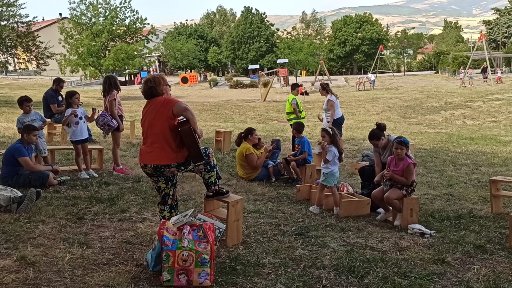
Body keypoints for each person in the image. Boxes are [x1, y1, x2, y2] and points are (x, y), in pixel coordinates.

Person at [139, 74, 229, 220]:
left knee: (167, 195)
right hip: (166, 161)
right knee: (205, 154)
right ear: (162, 88)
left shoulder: (148, 106)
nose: (170, 88)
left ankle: (168, 227)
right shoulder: (166, 101)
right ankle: (213, 188)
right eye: (168, 85)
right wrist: (197, 131)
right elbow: (185, 109)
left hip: (148, 163)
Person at [371, 136, 416, 226]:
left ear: (406, 150)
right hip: (393, 182)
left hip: (405, 186)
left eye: (401, 149)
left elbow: (407, 181)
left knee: (388, 197)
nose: (398, 151)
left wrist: (392, 176)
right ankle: (388, 211)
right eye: (396, 148)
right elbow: (387, 170)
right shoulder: (390, 159)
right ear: (392, 149)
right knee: (375, 195)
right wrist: (380, 176)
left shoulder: (409, 163)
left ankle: (400, 212)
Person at [1, 124, 61, 189]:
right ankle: (58, 182)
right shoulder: (18, 148)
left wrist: (48, 167)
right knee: (46, 175)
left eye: (37, 135)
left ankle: (54, 180)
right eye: (34, 136)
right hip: (10, 179)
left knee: (47, 173)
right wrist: (51, 167)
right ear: (26, 136)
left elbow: (34, 164)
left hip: (21, 174)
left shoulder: (29, 146)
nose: (37, 138)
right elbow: (31, 167)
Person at [42, 77, 95, 142]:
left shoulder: (58, 93)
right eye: (61, 87)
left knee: (80, 116)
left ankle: (85, 137)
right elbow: (55, 110)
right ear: (55, 84)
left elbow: (64, 102)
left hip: (61, 113)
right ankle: (87, 138)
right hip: (54, 116)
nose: (62, 88)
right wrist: (68, 108)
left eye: (63, 87)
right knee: (79, 117)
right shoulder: (50, 94)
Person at [62, 90, 98, 179]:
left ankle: (89, 169)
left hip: (84, 134)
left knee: (86, 153)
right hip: (75, 135)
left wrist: (93, 114)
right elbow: (63, 123)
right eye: (76, 98)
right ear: (70, 100)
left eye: (79, 98)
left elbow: (89, 120)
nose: (78, 100)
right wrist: (70, 115)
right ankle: (81, 171)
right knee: (78, 153)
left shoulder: (82, 109)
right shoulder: (68, 111)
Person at [309, 127, 344, 215]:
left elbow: (325, 161)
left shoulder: (331, 150)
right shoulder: (331, 147)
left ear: (331, 138)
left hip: (328, 173)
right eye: (321, 137)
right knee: (332, 189)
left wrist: (324, 151)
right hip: (332, 172)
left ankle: (317, 207)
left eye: (324, 137)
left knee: (323, 189)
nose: (322, 139)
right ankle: (336, 208)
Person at [102, 74, 130, 175]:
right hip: (116, 118)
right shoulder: (113, 93)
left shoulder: (107, 93)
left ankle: (116, 164)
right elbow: (112, 110)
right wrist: (119, 123)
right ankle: (118, 166)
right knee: (116, 145)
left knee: (115, 144)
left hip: (113, 119)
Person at [16, 95, 49, 165]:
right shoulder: (20, 119)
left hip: (39, 138)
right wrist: (27, 131)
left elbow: (45, 121)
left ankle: (51, 168)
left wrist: (41, 126)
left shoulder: (36, 114)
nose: (30, 108)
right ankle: (35, 168)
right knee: (33, 155)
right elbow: (19, 130)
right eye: (27, 106)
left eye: (31, 105)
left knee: (44, 154)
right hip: (29, 141)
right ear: (21, 107)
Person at [285, 83, 306, 151]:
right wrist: (298, 115)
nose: (298, 92)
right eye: (297, 91)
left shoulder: (291, 97)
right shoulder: (293, 98)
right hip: (295, 120)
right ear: (292, 90)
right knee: (296, 136)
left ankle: (295, 150)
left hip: (294, 120)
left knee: (295, 135)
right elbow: (294, 107)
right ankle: (295, 150)